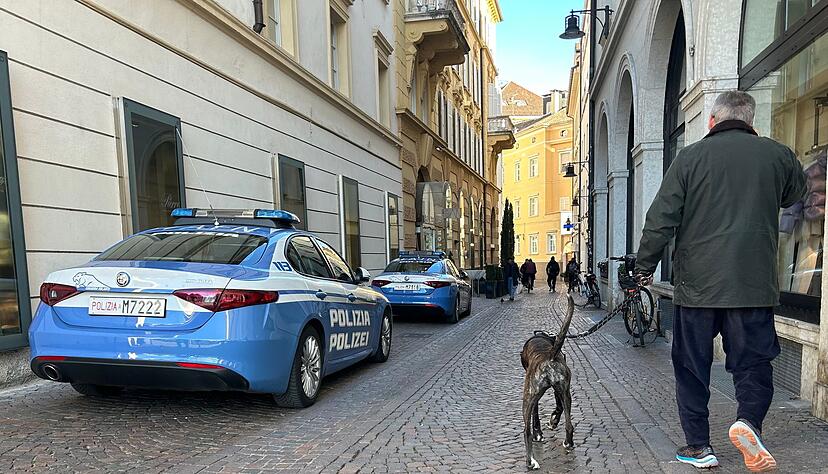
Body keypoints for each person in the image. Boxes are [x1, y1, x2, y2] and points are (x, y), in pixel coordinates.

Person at [635, 91, 806, 471]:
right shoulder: (777, 154)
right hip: (752, 284)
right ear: (750, 121)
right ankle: (747, 422)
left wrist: (643, 267)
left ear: (711, 121)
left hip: (697, 287)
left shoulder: (690, 158)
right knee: (753, 363)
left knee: (691, 366)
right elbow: (796, 194)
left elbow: (660, 219)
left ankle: (698, 447)